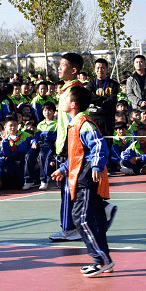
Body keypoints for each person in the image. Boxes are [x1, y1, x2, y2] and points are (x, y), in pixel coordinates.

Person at [51, 85, 114, 277]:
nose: (60, 101)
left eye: (64, 98)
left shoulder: (84, 123)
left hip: (86, 177)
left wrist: (96, 166)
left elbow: (98, 146)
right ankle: (103, 259)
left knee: (81, 217)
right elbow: (76, 154)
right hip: (79, 175)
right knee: (87, 218)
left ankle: (101, 259)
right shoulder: (73, 124)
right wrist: (63, 169)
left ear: (73, 104)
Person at [49, 53, 84, 242]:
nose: (59, 68)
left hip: (70, 145)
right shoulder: (66, 90)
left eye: (63, 65)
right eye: (59, 65)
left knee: (68, 190)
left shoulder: (74, 91)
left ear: (74, 70)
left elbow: (74, 121)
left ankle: (69, 228)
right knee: (73, 189)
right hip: (63, 144)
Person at [86, 58, 121, 137]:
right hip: (93, 117)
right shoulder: (91, 83)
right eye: (98, 68)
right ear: (95, 69)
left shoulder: (113, 84)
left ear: (107, 69)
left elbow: (112, 100)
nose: (100, 70)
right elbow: (89, 97)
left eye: (102, 68)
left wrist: (97, 100)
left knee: (108, 143)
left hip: (108, 118)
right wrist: (103, 99)